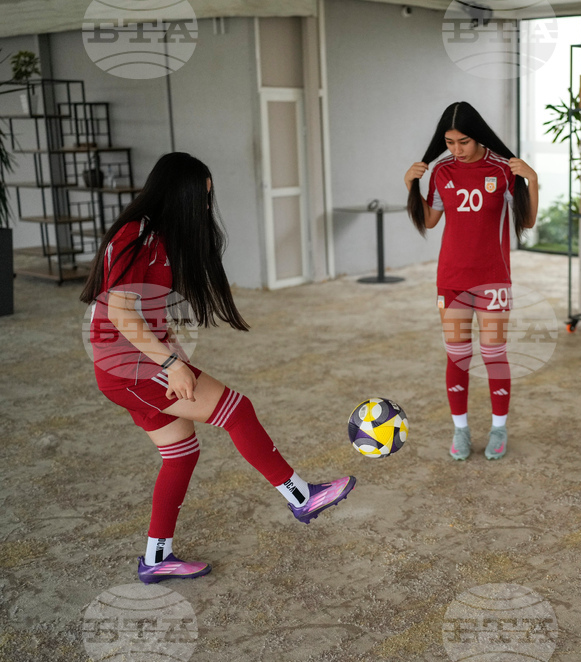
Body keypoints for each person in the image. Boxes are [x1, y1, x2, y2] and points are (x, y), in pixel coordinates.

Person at [81, 152, 356, 585]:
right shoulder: (140, 234)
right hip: (126, 367)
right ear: (181, 194)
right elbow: (121, 313)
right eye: (202, 198)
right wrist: (171, 364)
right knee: (237, 410)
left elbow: (148, 312)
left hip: (133, 364)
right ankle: (302, 496)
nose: (207, 207)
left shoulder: (157, 235)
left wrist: (174, 356)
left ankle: (157, 557)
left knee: (181, 455)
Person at [404, 101, 538, 461]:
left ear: (477, 136)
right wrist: (412, 186)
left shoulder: (501, 168)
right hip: (451, 280)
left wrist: (533, 179)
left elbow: (526, 222)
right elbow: (431, 221)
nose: (456, 150)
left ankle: (499, 427)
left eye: (463, 141)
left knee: (493, 354)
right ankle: (460, 430)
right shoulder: (442, 172)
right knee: (458, 356)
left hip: (493, 279)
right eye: (448, 142)